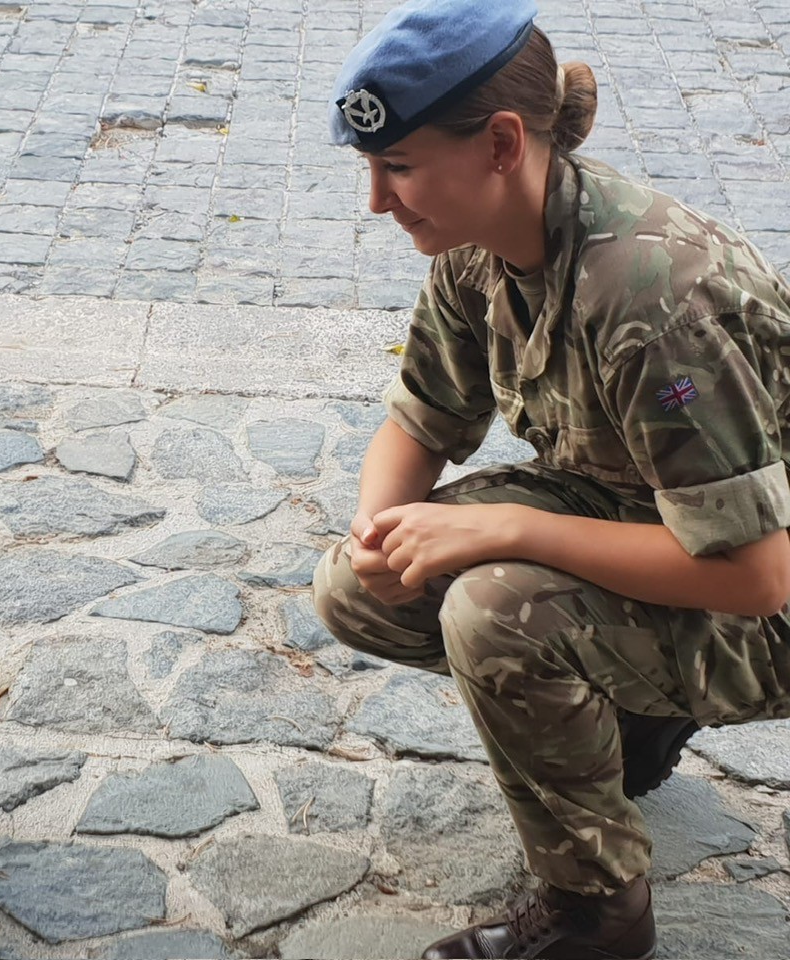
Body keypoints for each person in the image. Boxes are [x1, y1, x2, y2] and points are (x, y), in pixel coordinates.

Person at [311, 0, 790, 957]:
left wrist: (511, 533)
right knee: (356, 589)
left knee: (495, 611)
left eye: (397, 167)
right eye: (371, 167)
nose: (377, 200)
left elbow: (757, 576)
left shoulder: (652, 297)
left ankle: (598, 912)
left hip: (766, 600)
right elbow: (421, 417)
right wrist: (379, 534)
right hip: (641, 519)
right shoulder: (480, 247)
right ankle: (632, 714)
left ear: (499, 143)